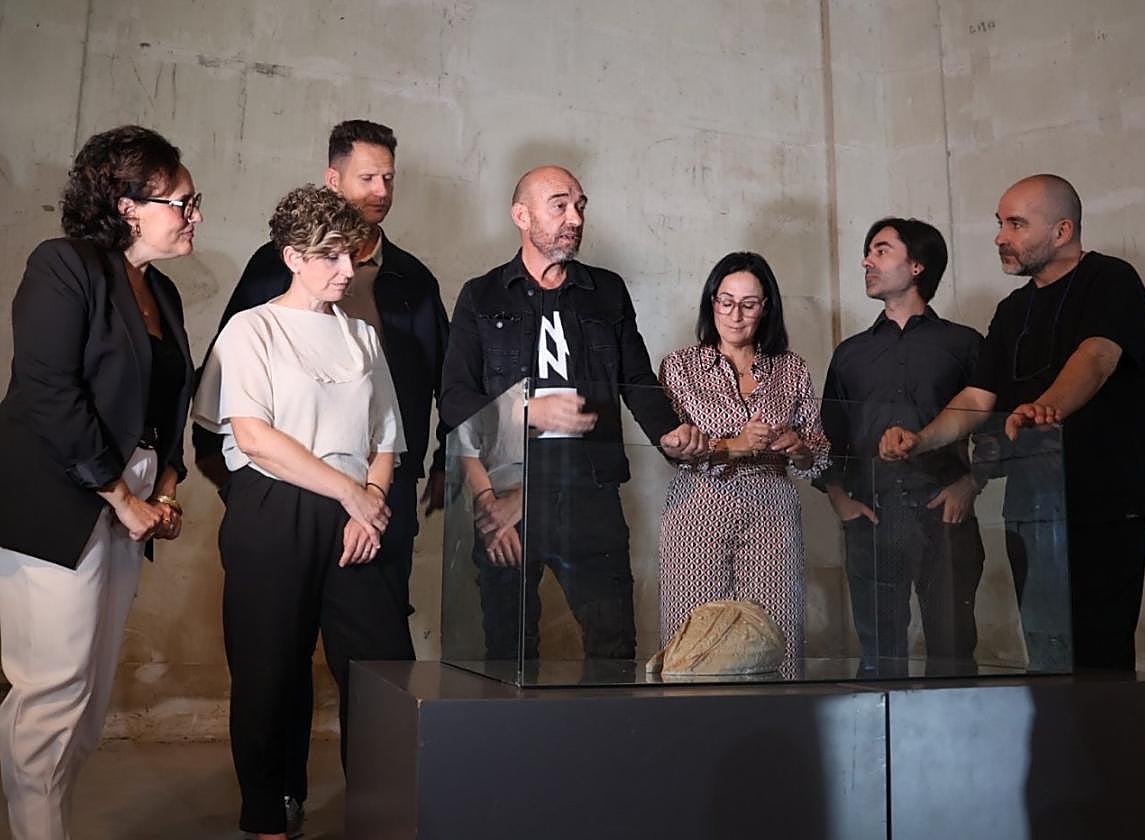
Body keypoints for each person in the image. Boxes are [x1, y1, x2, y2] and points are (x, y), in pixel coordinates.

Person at [192, 119, 447, 831]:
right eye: (332, 257)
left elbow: (389, 432)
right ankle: (270, 813)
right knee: (271, 672)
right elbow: (252, 436)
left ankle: (383, 806)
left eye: (350, 255)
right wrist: (353, 497)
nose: (347, 270)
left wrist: (371, 497)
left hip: (359, 510)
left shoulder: (363, 334)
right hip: (277, 507)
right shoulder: (253, 328)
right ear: (293, 257)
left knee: (379, 668)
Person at [0, 125, 198, 839]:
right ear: (125, 205)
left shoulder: (163, 292)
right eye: (181, 200)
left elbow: (168, 405)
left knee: (87, 702)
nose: (194, 214)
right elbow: (48, 389)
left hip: (130, 508)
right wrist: (122, 497)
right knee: (51, 695)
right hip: (57, 505)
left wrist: (164, 489)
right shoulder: (64, 265)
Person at [880, 175, 1145, 673]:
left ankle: (1107, 750)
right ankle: (1057, 747)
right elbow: (976, 397)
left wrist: (1044, 406)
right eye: (999, 223)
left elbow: (1096, 356)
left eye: (1015, 224)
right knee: (1046, 653)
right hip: (1032, 507)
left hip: (1106, 502)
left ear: (1062, 231)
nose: (999, 237)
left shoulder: (1111, 279)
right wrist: (921, 438)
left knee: (1100, 657)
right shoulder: (1012, 310)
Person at [440, 165, 707, 663]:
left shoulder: (606, 291)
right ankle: (517, 742)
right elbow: (455, 399)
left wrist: (669, 432)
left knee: (613, 646)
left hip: (590, 492)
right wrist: (527, 410)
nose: (575, 217)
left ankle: (602, 741)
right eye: (559, 204)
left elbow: (637, 379)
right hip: (509, 495)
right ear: (521, 215)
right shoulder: (482, 296)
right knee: (509, 647)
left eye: (580, 205)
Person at [819, 218, 985, 674]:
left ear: (916, 265)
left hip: (945, 515)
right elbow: (827, 436)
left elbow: (995, 425)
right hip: (872, 517)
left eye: (880, 250)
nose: (866, 262)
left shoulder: (964, 344)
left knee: (953, 653)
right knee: (878, 658)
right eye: (869, 252)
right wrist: (839, 499)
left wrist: (970, 484)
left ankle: (954, 745)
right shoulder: (849, 353)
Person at [657, 252, 829, 664]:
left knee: (775, 632)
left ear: (766, 307)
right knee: (695, 634)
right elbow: (672, 450)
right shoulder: (680, 366)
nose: (736, 315)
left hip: (773, 510)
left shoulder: (792, 368)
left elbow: (820, 455)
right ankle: (693, 726)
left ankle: (777, 725)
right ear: (711, 302)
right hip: (698, 506)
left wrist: (798, 446)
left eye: (749, 304)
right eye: (726, 302)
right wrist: (735, 444)